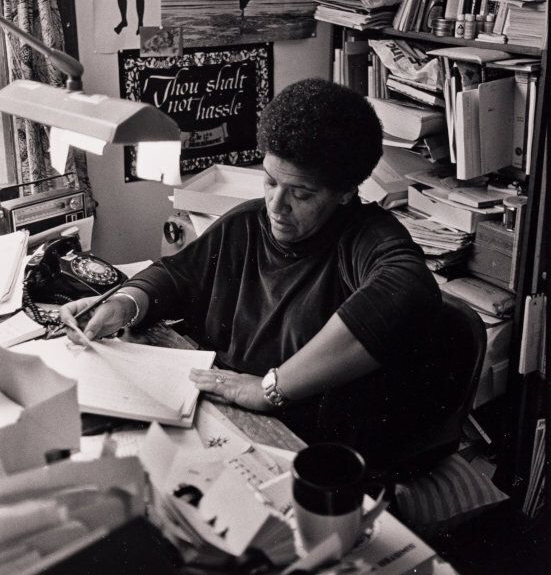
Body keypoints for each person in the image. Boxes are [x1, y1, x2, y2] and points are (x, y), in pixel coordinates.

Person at [61, 78, 447, 475]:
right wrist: (123, 304)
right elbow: (177, 275)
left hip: (300, 443)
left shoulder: (366, 238)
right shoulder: (248, 222)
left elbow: (409, 292)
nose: (276, 206)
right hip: (216, 411)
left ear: (345, 193)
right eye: (270, 181)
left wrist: (270, 389)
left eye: (302, 194)